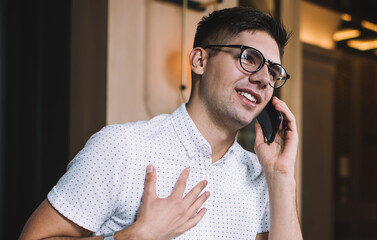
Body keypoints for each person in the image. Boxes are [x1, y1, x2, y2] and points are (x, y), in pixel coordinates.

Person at [20, 6, 302, 240]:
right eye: (249, 58)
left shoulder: (261, 176)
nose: (264, 79)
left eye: (273, 71)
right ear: (200, 60)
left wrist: (281, 176)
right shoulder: (122, 147)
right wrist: (134, 237)